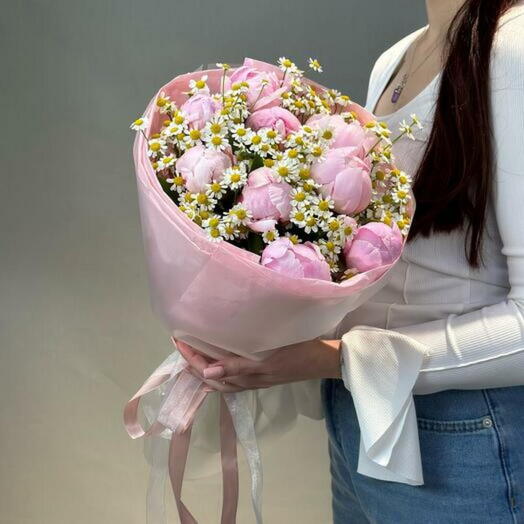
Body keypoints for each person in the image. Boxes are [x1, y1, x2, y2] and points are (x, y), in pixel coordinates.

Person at [175, 0, 524, 521]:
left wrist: (340, 357)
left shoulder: (513, 51)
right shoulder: (396, 59)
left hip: (464, 433)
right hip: (366, 410)